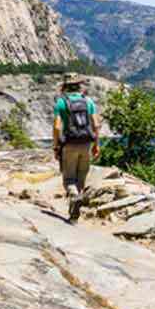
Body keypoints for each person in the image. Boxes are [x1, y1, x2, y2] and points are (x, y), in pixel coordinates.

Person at [52, 76, 101, 221]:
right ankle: (74, 213)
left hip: (69, 144)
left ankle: (73, 196)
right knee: (81, 179)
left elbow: (56, 127)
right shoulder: (88, 101)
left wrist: (56, 146)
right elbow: (96, 125)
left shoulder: (61, 102)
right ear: (79, 86)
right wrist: (96, 145)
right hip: (86, 143)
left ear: (65, 87)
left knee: (68, 179)